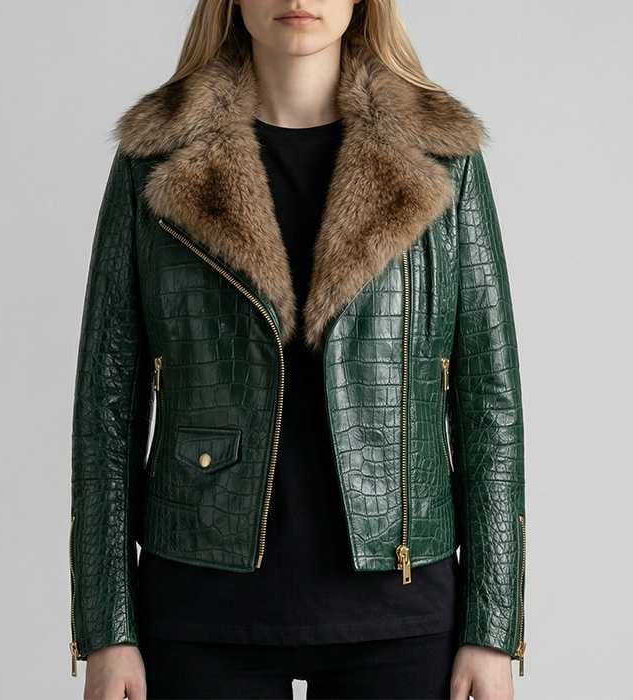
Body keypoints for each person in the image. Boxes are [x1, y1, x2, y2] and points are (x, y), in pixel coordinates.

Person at [68, 0, 527, 698]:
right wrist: (107, 630)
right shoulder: (155, 158)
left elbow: (490, 403)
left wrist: (492, 628)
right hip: (199, 607)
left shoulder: (443, 157)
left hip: (401, 608)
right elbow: (106, 407)